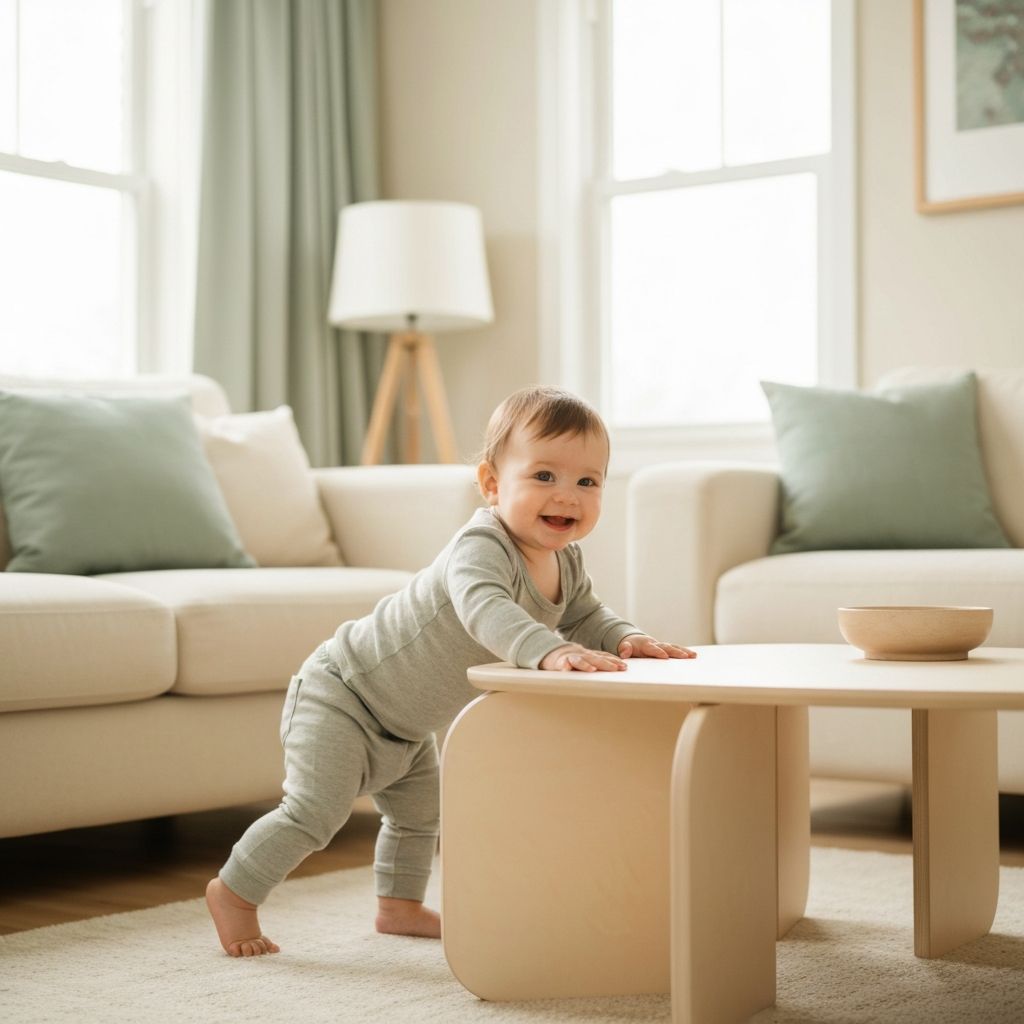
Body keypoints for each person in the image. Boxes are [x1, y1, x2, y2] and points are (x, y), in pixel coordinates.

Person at [205, 384, 695, 957]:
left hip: (408, 728)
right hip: (344, 695)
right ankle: (235, 893)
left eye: (587, 481)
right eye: (543, 476)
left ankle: (399, 906)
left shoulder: (566, 559)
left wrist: (625, 637)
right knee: (315, 813)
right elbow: (485, 607)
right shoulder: (480, 545)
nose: (567, 495)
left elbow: (586, 612)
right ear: (492, 484)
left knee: (421, 819)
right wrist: (546, 649)